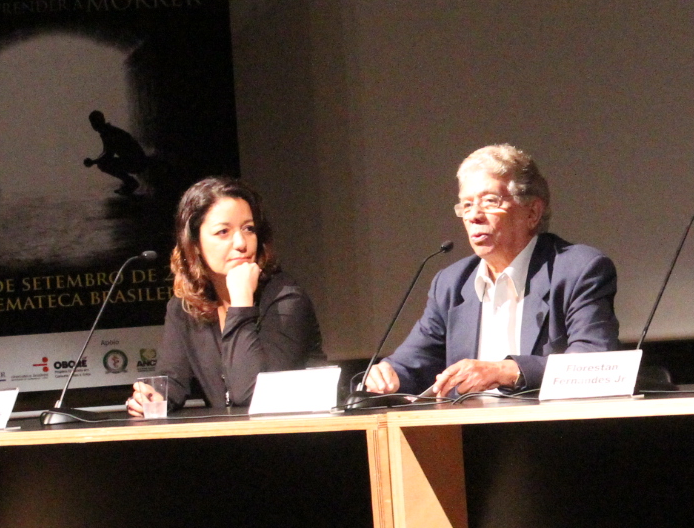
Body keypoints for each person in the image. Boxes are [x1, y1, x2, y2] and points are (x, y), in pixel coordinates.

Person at [362, 144, 620, 397]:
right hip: (467, 433)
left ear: (532, 212)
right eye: (466, 205)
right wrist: (389, 373)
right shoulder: (452, 283)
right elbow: (414, 362)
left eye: (489, 201)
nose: (474, 215)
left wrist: (509, 371)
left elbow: (595, 361)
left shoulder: (577, 270)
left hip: (552, 430)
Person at [126, 176, 324, 414]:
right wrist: (152, 397)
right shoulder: (184, 307)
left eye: (248, 229)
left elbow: (250, 394)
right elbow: (173, 383)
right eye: (223, 232)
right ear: (195, 243)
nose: (241, 243)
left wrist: (241, 303)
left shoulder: (286, 299)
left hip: (299, 441)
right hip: (229, 443)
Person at [84, 110, 149, 196]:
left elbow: (108, 154)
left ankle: (131, 182)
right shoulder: (108, 131)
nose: (94, 125)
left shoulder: (109, 133)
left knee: (104, 165)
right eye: (93, 122)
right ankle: (130, 182)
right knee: (103, 163)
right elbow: (106, 151)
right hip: (137, 161)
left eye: (95, 122)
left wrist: (94, 161)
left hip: (137, 163)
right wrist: (95, 161)